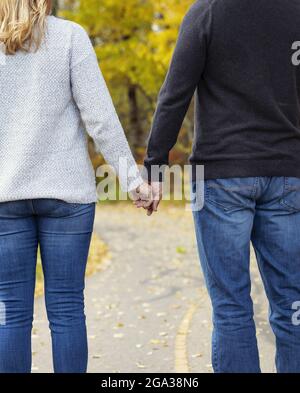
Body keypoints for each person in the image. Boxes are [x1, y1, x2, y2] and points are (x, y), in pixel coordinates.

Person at [143, 0, 300, 373]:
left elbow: (174, 93)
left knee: (231, 305)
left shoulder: (207, 12)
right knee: (292, 303)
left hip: (220, 176)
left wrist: (154, 168)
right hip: (288, 174)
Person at [0, 0, 151, 373]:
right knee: (67, 308)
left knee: (10, 311)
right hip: (67, 195)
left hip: (4, 197)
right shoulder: (70, 37)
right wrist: (133, 180)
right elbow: (98, 116)